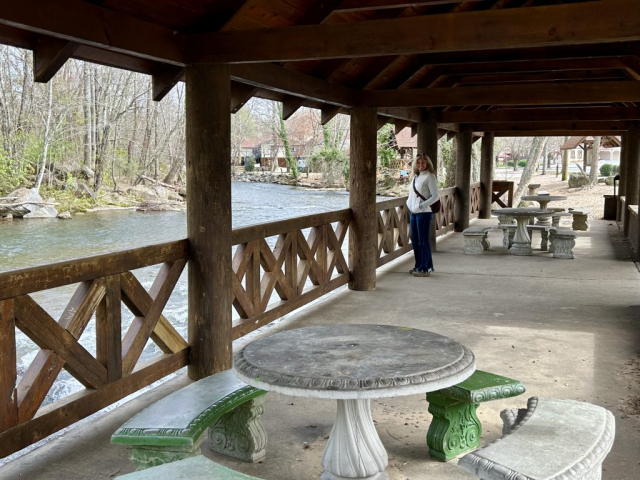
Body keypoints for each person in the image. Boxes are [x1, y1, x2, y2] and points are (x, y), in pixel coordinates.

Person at [407, 153, 439, 277]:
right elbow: (412, 195)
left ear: (427, 164)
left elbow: (435, 196)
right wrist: (409, 204)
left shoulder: (430, 177)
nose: (421, 164)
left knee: (423, 241)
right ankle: (418, 266)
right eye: (418, 162)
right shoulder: (416, 177)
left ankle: (425, 268)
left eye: (423, 162)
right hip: (414, 212)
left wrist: (421, 205)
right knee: (415, 240)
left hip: (424, 213)